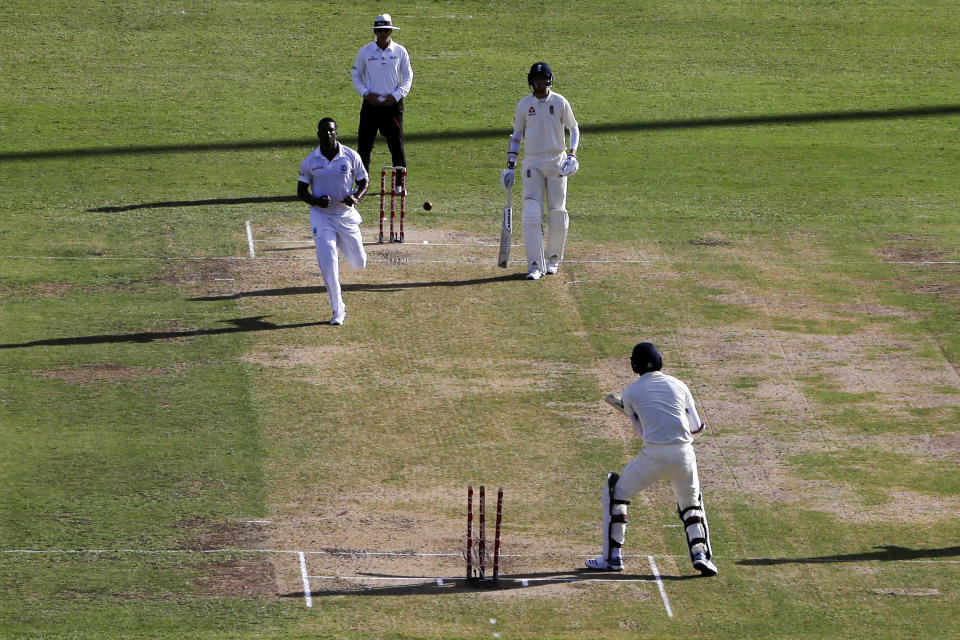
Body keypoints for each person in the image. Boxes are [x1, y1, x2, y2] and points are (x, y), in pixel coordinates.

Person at [586, 342, 719, 577]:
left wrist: (633, 413)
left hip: (653, 456)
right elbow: (696, 426)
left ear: (634, 365)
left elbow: (642, 433)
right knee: (691, 504)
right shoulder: (679, 385)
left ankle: (611, 558)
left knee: (616, 491)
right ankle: (701, 555)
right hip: (684, 455)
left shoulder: (630, 393)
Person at [500, 62, 580, 280]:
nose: (539, 83)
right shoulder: (524, 105)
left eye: (543, 80)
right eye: (536, 80)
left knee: (557, 213)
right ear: (530, 81)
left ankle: (553, 259)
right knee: (531, 212)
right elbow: (516, 135)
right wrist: (510, 167)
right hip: (533, 163)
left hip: (557, 162)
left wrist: (572, 154)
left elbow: (574, 128)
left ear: (549, 80)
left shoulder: (560, 102)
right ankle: (535, 265)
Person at [297, 118, 369, 326]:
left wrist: (356, 197)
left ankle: (340, 243)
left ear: (336, 132)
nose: (328, 134)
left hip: (346, 216)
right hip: (322, 217)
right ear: (318, 134)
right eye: (323, 131)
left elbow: (364, 181)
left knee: (359, 263)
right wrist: (316, 201)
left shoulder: (350, 156)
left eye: (331, 131)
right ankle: (338, 310)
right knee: (329, 264)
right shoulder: (310, 161)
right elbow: (301, 190)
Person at [351, 13, 413, 190]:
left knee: (397, 145)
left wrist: (397, 95)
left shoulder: (400, 51)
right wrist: (365, 94)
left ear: (391, 31)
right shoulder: (365, 52)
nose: (383, 34)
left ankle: (399, 185)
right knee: (364, 146)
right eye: (380, 30)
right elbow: (356, 74)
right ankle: (362, 183)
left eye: (386, 30)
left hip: (393, 105)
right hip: (371, 104)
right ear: (375, 32)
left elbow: (408, 75)